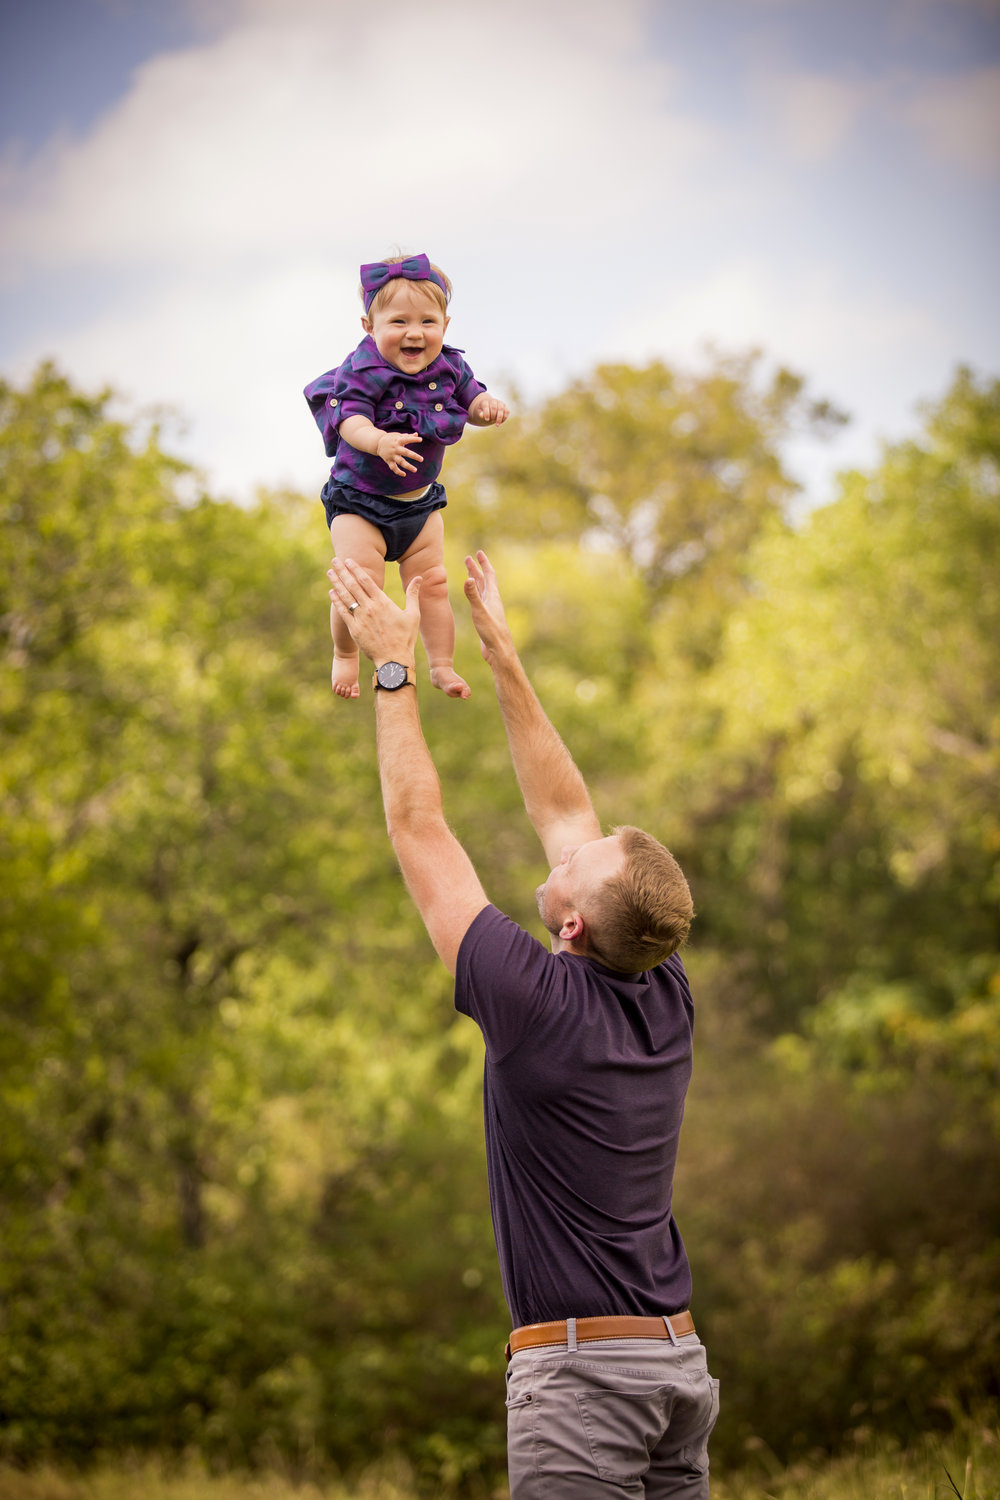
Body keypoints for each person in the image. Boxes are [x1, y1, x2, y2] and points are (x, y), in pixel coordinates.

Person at [326, 549, 719, 1498]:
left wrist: (392, 666)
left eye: (579, 865)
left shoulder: (534, 1008)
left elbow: (420, 830)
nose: (571, 849)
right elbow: (563, 806)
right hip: (675, 1368)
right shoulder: (662, 983)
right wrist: (500, 652)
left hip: (585, 1378)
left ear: (574, 921)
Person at [304, 252, 509, 701]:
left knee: (433, 583)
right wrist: (378, 441)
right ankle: (344, 653)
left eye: (427, 322)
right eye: (398, 322)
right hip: (360, 503)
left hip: (419, 504)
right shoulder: (362, 369)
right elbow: (349, 421)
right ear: (369, 327)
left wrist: (484, 407)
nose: (414, 333)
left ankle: (441, 665)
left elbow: (470, 401)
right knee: (362, 583)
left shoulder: (451, 367)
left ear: (445, 325)